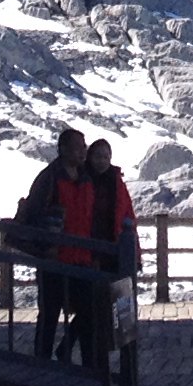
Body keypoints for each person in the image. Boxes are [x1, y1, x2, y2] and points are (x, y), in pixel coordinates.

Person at [60, 136, 138, 372]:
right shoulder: (83, 181)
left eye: (106, 157)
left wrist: (134, 252)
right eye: (98, 156)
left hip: (113, 252)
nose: (102, 161)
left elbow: (128, 214)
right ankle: (90, 361)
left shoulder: (116, 181)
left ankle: (95, 360)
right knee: (91, 308)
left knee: (105, 308)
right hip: (89, 253)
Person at [16, 129, 88, 362]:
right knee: (49, 313)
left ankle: (64, 349)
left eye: (84, 146)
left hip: (80, 257)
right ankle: (42, 361)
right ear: (64, 149)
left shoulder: (85, 176)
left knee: (89, 308)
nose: (83, 150)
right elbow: (35, 214)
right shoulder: (49, 178)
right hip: (53, 258)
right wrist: (46, 245)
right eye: (78, 146)